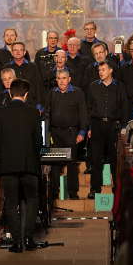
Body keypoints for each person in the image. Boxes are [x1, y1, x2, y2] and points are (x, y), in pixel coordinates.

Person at [0, 78, 42, 253]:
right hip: (29, 164)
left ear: (10, 93)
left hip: (7, 165)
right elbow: (38, 142)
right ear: (26, 94)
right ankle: (28, 238)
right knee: (32, 199)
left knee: (11, 202)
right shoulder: (34, 113)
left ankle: (16, 242)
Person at [86, 61, 129, 199]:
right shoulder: (93, 86)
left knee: (114, 159)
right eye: (99, 70)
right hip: (97, 125)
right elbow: (88, 108)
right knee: (96, 159)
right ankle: (95, 189)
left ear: (110, 70)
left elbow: (124, 107)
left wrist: (123, 127)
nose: (100, 72)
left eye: (103, 69)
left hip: (113, 126)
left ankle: (117, 188)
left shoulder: (120, 86)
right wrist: (89, 127)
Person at [45, 68, 88, 200]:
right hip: (55, 133)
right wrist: (47, 133)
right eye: (59, 78)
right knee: (55, 163)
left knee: (71, 163)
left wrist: (82, 132)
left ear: (69, 79)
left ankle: (73, 192)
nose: (62, 81)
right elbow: (47, 113)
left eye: (64, 78)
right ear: (56, 80)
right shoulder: (52, 93)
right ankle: (54, 192)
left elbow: (83, 113)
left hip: (72, 133)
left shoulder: (78, 92)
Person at [5, 42, 43, 110]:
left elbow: (38, 85)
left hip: (31, 104)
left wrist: (39, 104)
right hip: (12, 105)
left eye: (20, 50)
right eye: (15, 50)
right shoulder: (7, 67)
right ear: (11, 52)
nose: (18, 52)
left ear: (24, 52)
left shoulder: (33, 66)